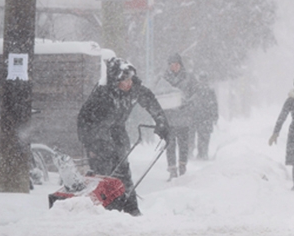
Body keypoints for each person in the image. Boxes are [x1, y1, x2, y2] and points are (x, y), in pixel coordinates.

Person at [77, 57, 170, 216]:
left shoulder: (135, 88)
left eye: (130, 79)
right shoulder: (101, 94)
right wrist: (91, 144)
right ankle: (106, 212)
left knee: (123, 173)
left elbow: (150, 101)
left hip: (117, 133)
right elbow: (84, 120)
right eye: (124, 80)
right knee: (105, 176)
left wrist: (161, 122)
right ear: (115, 81)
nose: (128, 83)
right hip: (97, 136)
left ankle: (131, 209)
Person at [163, 53, 218, 162]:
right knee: (198, 138)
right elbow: (213, 104)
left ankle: (191, 157)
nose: (174, 66)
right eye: (171, 64)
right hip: (182, 116)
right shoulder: (165, 78)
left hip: (190, 116)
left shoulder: (190, 80)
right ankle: (197, 155)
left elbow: (202, 99)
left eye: (176, 64)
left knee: (190, 139)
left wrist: (188, 104)